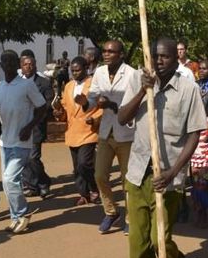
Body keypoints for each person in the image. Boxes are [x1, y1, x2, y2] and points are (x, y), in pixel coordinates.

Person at [116, 38, 207, 258]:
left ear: (176, 59)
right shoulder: (139, 81)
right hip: (137, 173)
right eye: (155, 56)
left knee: (160, 240)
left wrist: (173, 172)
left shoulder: (188, 88)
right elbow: (122, 117)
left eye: (165, 57)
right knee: (138, 243)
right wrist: (144, 91)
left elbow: (194, 134)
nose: (159, 61)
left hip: (169, 177)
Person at [0, 50, 48, 234]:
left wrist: (29, 127)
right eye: (4, 61)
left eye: (11, 61)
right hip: (4, 142)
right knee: (8, 183)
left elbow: (42, 107)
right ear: (0, 65)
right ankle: (15, 218)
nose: (7, 64)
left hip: (22, 142)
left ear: (17, 64)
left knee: (10, 179)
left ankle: (23, 214)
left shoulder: (26, 85)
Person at [88, 40, 140, 234]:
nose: (107, 54)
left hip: (126, 133)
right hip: (105, 131)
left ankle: (129, 217)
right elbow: (93, 96)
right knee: (100, 175)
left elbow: (135, 106)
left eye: (111, 51)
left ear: (121, 54)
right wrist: (87, 102)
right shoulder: (100, 72)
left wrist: (110, 105)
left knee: (127, 180)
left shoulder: (133, 74)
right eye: (104, 51)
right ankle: (110, 212)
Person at [60, 56, 102, 205]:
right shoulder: (68, 86)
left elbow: (101, 107)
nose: (75, 73)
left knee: (84, 163)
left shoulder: (94, 85)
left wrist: (95, 118)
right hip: (72, 131)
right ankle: (84, 194)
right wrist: (60, 113)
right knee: (77, 168)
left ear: (86, 68)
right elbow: (65, 106)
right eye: (72, 71)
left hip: (88, 131)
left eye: (78, 70)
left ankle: (94, 188)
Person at [19, 51, 55, 199]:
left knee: (33, 157)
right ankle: (31, 185)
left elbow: (48, 103)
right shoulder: (16, 82)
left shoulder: (44, 83)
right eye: (25, 64)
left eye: (31, 64)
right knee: (24, 157)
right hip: (20, 126)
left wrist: (36, 110)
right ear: (21, 67)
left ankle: (44, 183)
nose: (28, 67)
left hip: (36, 126)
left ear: (35, 66)